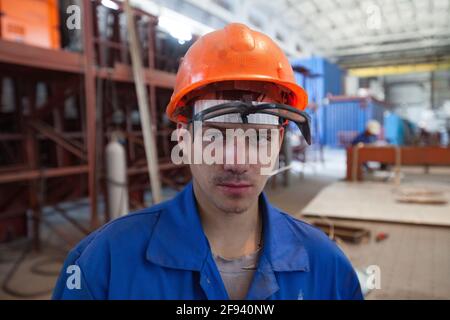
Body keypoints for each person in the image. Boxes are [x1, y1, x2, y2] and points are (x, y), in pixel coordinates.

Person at [53, 23, 363, 300]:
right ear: (184, 140)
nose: (237, 161)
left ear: (278, 143)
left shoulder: (327, 269)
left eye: (259, 138)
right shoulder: (103, 267)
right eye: (215, 136)